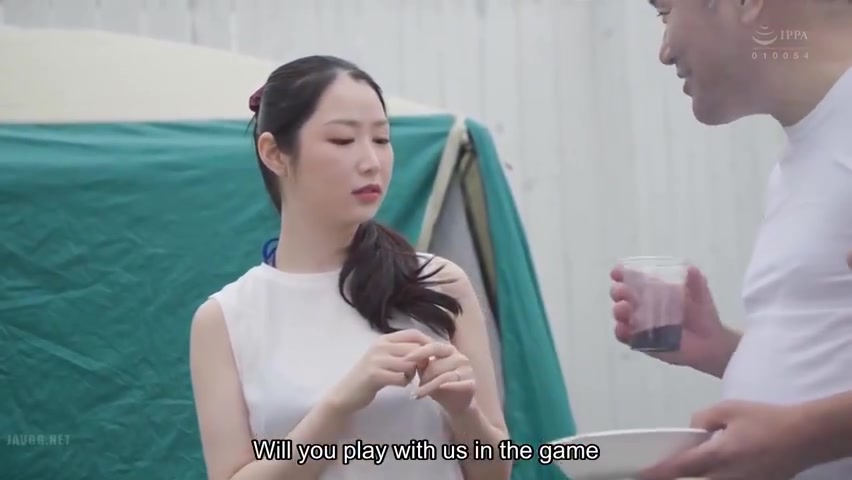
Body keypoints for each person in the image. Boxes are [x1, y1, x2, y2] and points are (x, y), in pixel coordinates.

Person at [189, 55, 510, 480]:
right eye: (342, 140)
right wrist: (341, 404)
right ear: (274, 153)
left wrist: (464, 411)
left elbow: (495, 472)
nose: (371, 161)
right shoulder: (226, 319)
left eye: (382, 139)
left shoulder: (438, 282)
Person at [609, 1, 852, 479]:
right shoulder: (802, 159)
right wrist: (727, 352)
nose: (664, 51)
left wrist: (803, 436)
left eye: (665, 12)